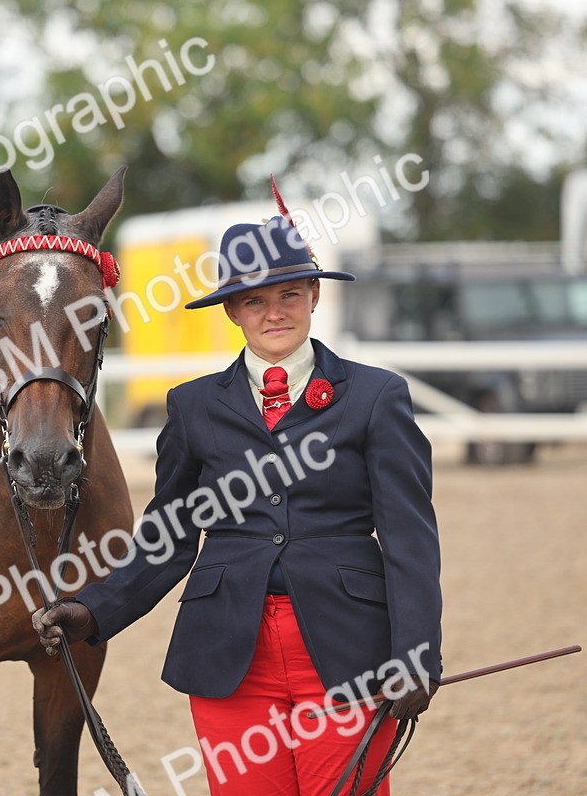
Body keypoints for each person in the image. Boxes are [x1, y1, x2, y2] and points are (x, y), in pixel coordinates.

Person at [34, 188, 442, 795]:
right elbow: (169, 538)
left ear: (314, 296)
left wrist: (417, 652)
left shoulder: (376, 397)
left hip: (348, 651)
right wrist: (95, 609)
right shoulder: (193, 406)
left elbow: (410, 539)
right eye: (255, 301)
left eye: (288, 295)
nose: (274, 312)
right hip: (229, 651)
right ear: (233, 311)